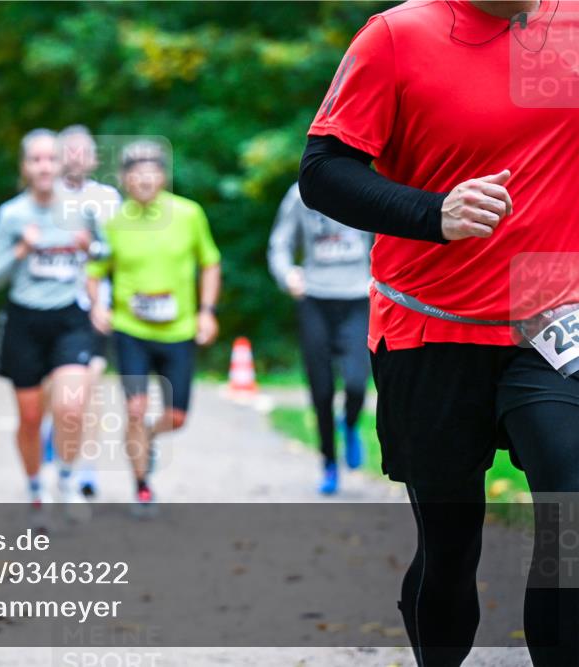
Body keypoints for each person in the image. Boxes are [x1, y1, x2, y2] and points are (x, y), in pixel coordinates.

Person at [299, 1, 578, 664]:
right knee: (452, 548)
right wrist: (435, 211)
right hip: (432, 328)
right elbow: (322, 173)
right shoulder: (397, 37)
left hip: (552, 321)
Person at [87, 140, 222, 508]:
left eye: (151, 172)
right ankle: (142, 486)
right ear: (124, 179)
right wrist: (97, 306)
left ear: (163, 176)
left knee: (177, 417)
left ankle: (147, 436)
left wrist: (206, 311)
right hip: (131, 330)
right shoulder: (113, 223)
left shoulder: (189, 214)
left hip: (178, 331)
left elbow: (210, 262)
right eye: (136, 173)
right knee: (134, 407)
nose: (144, 180)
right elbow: (94, 269)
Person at [0, 128, 96, 519]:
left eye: (51, 158)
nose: (45, 166)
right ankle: (35, 488)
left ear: (63, 163)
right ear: (25, 167)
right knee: (30, 418)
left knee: (71, 407)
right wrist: (21, 249)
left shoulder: (83, 209)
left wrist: (91, 248)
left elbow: (107, 257)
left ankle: (66, 479)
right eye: (36, 159)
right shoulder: (11, 215)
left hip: (69, 317)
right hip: (24, 320)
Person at [268, 182, 373, 494]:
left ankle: (351, 423)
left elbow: (389, 235)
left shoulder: (365, 187)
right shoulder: (300, 194)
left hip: (358, 296)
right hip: (315, 297)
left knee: (356, 382)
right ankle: (329, 463)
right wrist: (286, 275)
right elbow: (280, 243)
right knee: (322, 388)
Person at [40, 125, 123, 498]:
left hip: (92, 307)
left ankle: (84, 468)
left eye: (82, 150)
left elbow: (121, 252)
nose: (75, 157)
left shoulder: (108, 198)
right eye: (67, 150)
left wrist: (94, 248)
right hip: (46, 305)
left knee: (87, 388)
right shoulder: (44, 196)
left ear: (93, 158)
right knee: (50, 392)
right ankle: (51, 438)